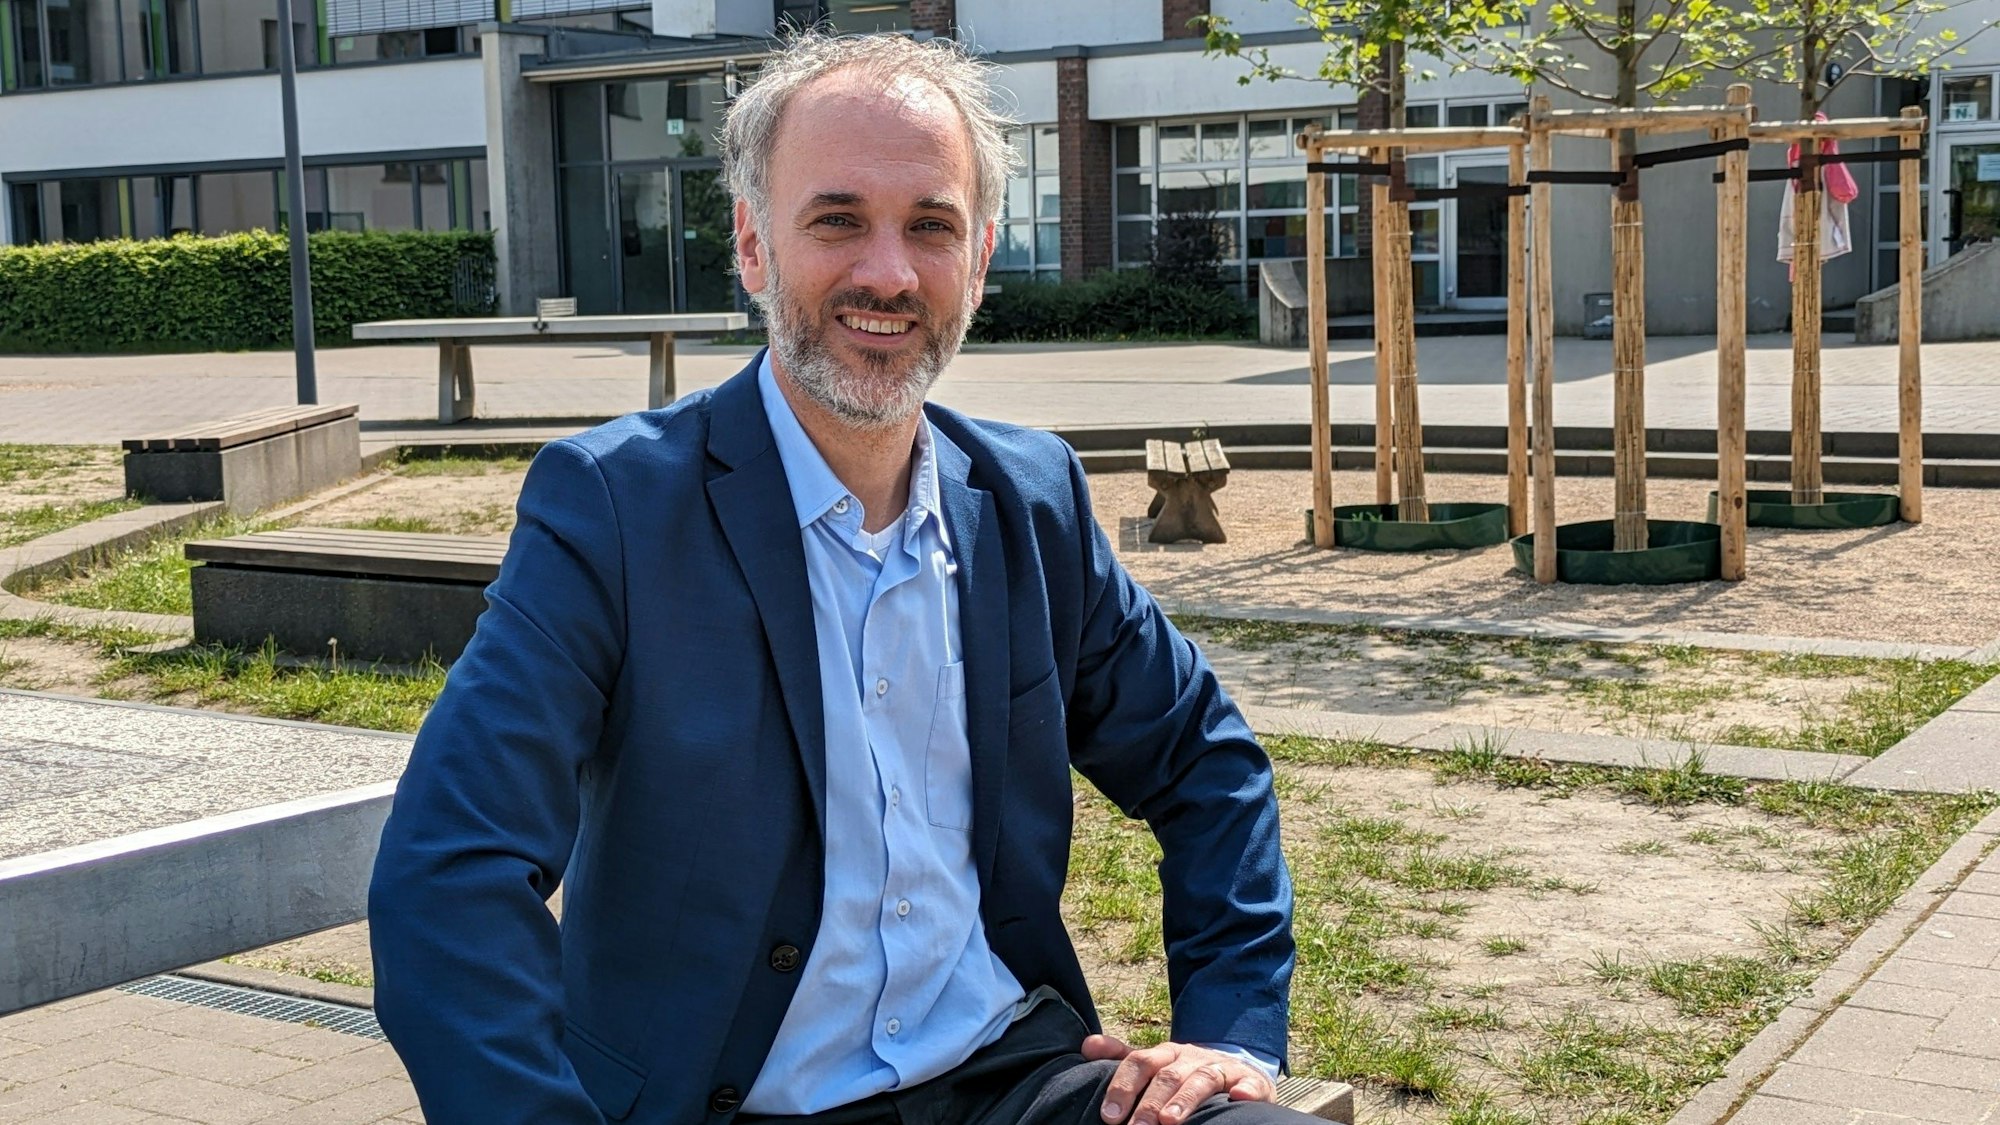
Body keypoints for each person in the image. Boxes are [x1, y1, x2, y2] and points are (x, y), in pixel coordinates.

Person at [368, 31, 1305, 1125]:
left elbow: (1204, 762)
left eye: (931, 227)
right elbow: (451, 873)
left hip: (1011, 1079)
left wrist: (1230, 1035)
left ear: (981, 257)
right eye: (837, 220)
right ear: (754, 245)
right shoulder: (616, 508)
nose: (888, 273)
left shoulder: (1027, 498)